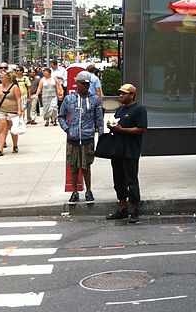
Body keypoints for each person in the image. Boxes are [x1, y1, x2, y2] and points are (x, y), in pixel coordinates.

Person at [59, 71, 104, 205]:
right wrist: (67, 129)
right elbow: (61, 116)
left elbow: (99, 119)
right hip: (72, 138)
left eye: (87, 84)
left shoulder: (94, 99)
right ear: (77, 83)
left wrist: (101, 135)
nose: (85, 86)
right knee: (73, 166)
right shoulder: (69, 99)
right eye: (82, 84)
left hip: (87, 137)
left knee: (86, 166)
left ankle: (89, 191)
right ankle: (74, 191)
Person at [106, 83, 148, 224]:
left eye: (124, 93)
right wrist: (112, 127)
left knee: (131, 181)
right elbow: (117, 127)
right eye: (120, 93)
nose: (121, 96)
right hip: (117, 150)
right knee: (118, 181)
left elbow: (142, 129)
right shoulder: (119, 110)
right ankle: (122, 208)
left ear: (132, 95)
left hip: (130, 150)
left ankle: (134, 210)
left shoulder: (139, 109)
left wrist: (122, 130)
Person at [0, 69, 22, 157]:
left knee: (13, 129)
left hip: (13, 111)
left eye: (2, 77)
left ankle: (15, 145)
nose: (0, 79)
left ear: (7, 78)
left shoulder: (14, 87)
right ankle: (0, 150)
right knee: (2, 128)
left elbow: (18, 99)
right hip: (2, 110)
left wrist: (19, 110)